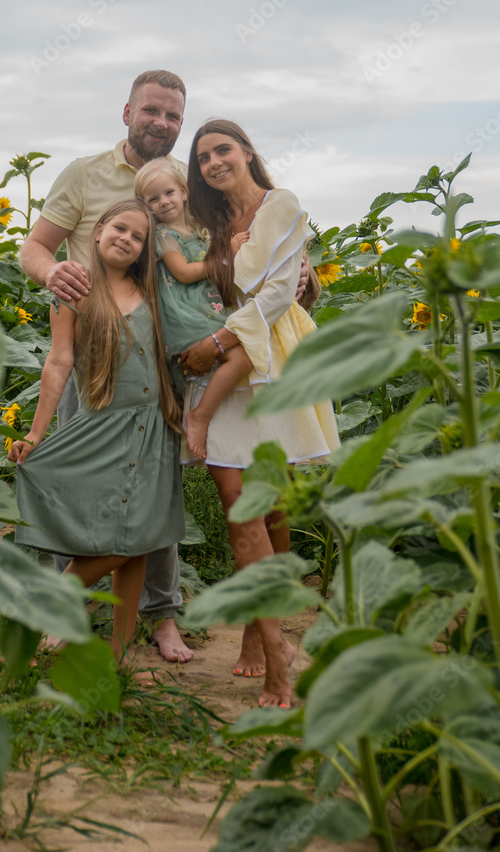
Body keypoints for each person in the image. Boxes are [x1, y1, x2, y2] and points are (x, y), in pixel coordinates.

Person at [19, 70, 194, 662]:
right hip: (92, 355)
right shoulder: (85, 174)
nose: (162, 123)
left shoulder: (183, 185)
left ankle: (161, 615)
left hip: (156, 360)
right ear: (127, 112)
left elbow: (226, 246)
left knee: (152, 500)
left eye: (173, 115)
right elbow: (35, 245)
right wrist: (53, 275)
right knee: (83, 492)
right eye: (152, 111)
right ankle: (64, 608)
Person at [180, 119, 340, 708]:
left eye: (223, 150)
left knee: (272, 506)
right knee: (239, 510)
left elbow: (275, 296)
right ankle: (279, 658)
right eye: (203, 157)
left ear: (247, 152)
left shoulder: (281, 206)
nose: (214, 162)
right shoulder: (209, 226)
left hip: (272, 357)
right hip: (229, 364)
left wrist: (220, 341)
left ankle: (256, 630)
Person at [134, 157, 254, 461]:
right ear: (146, 206)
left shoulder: (203, 228)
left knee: (241, 354)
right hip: (185, 314)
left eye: (169, 193)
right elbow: (185, 273)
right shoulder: (163, 235)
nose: (163, 202)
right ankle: (199, 416)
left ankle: (214, 420)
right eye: (153, 199)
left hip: (207, 307)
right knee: (240, 358)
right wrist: (227, 253)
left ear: (184, 192)